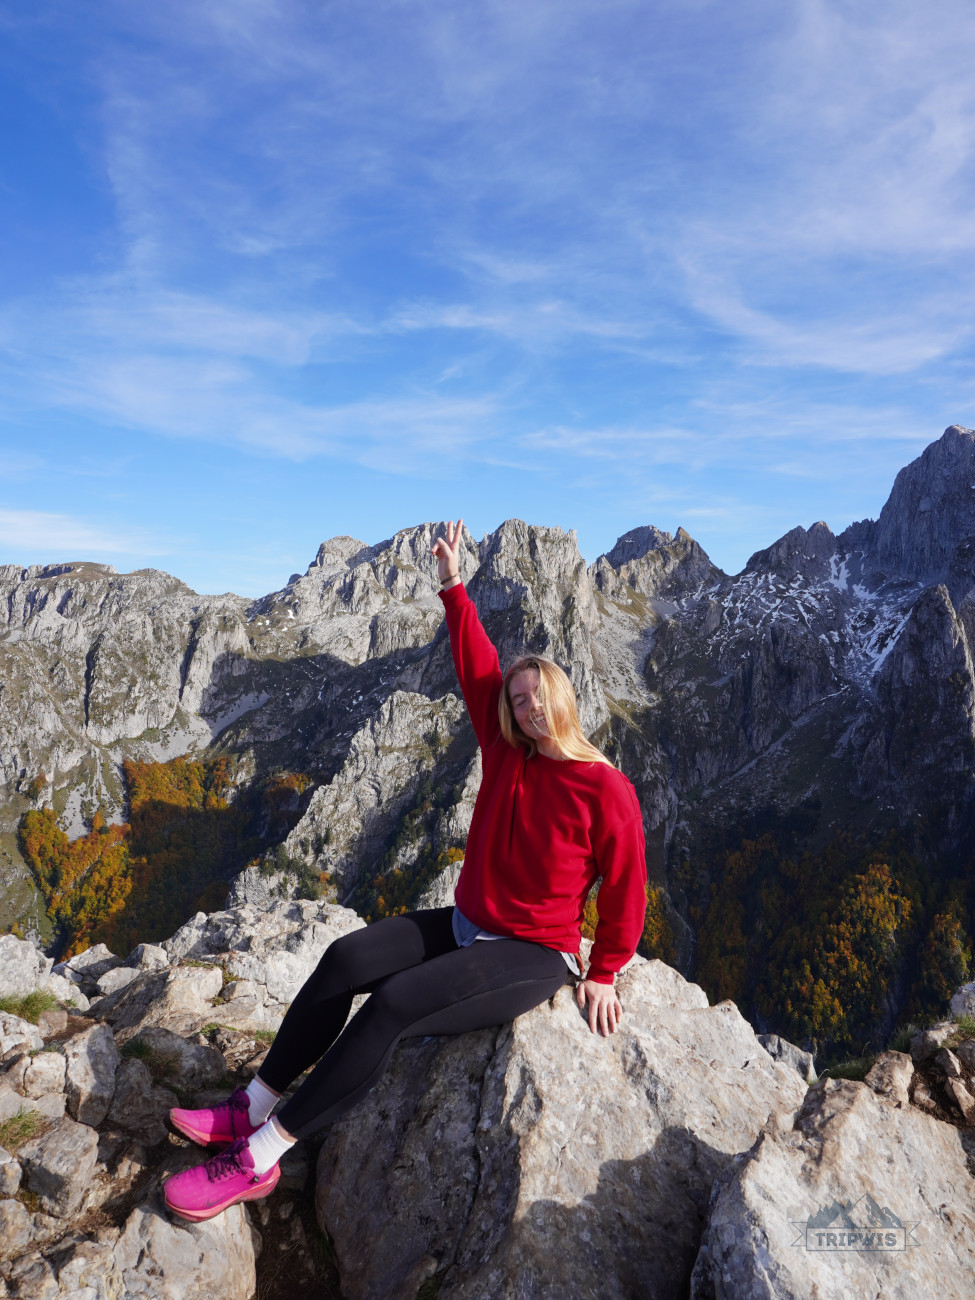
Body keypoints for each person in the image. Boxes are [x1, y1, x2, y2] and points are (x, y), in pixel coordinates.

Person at [162, 518, 647, 1222]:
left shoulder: (604, 787)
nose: (526, 704)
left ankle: (258, 1157)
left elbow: (628, 884)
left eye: (538, 693)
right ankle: (252, 1103)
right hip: (465, 922)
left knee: (391, 1005)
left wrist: (604, 969)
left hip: (532, 953)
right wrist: (452, 586)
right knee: (345, 958)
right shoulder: (507, 750)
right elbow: (477, 663)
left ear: (563, 699)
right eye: (516, 699)